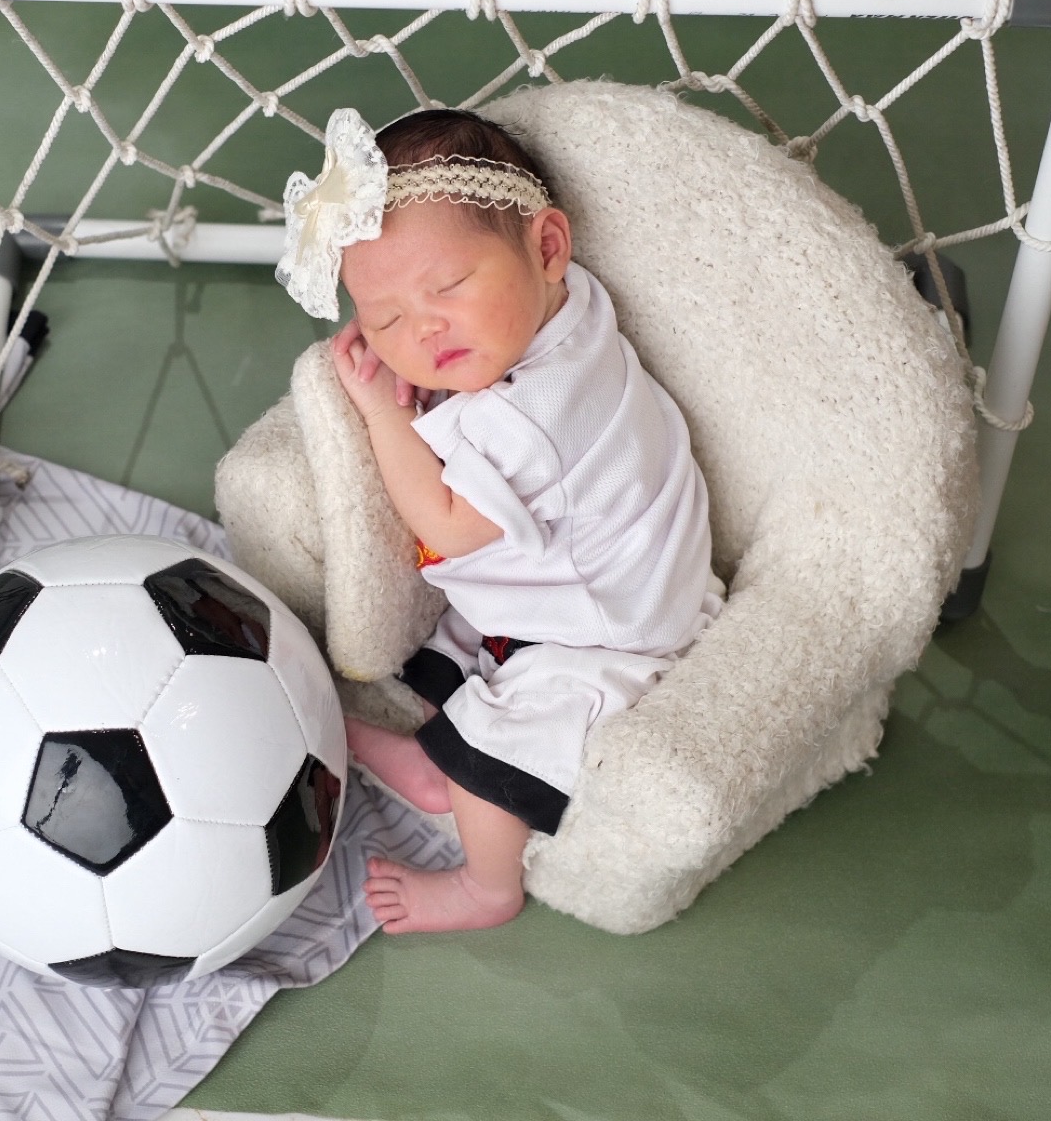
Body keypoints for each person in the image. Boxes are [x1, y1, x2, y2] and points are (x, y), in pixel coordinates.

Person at [276, 106, 724, 933]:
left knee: (509, 734)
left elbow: (447, 525)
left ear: (548, 247)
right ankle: (432, 762)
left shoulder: (527, 420)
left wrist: (384, 413)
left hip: (608, 636)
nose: (424, 330)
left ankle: (486, 883)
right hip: (623, 572)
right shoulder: (571, 311)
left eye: (448, 287)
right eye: (384, 320)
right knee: (457, 653)